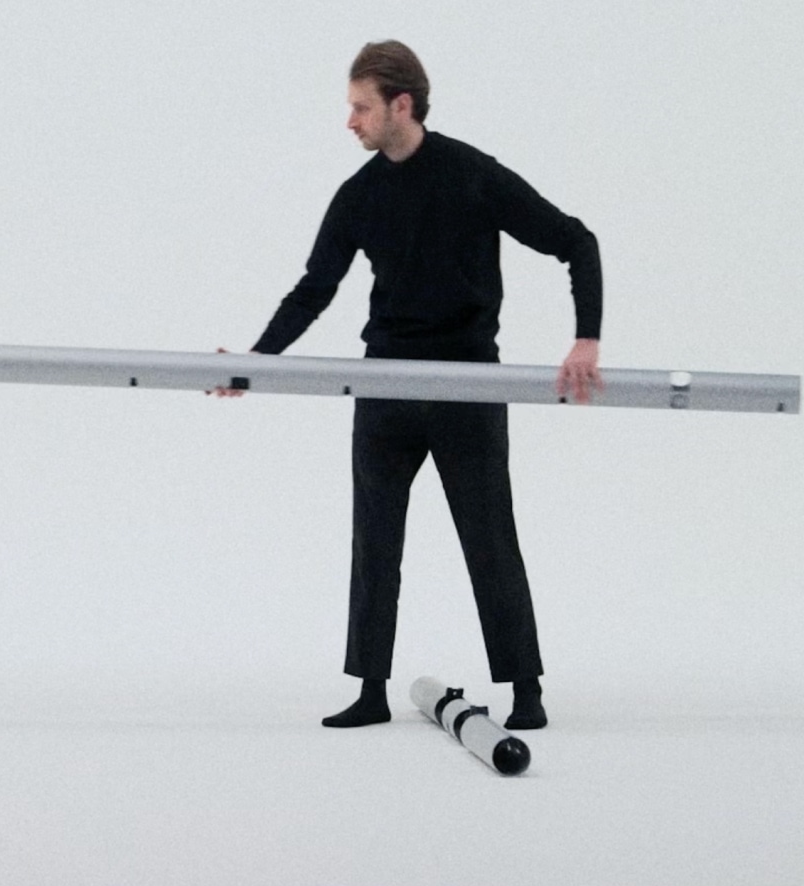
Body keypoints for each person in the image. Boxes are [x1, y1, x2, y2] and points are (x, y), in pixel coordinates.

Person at [219, 42, 603, 730]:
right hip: (386, 383)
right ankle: (371, 691)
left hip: (467, 385)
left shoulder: (472, 175)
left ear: (402, 105)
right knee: (375, 542)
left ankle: (527, 691)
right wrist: (253, 364)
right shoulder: (359, 196)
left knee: (489, 538)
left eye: (360, 107)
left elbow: (576, 241)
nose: (350, 121)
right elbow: (313, 291)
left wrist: (586, 339)